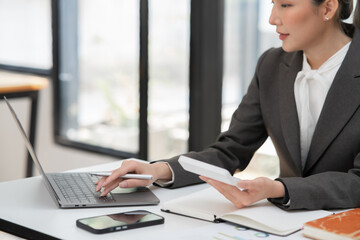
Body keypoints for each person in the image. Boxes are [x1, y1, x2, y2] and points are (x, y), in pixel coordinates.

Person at [96, 0, 360, 210]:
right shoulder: (271, 66)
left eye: (285, 5)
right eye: (272, 4)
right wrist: (158, 170)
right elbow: (231, 149)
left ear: (327, 7)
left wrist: (278, 189)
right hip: (284, 225)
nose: (272, 19)